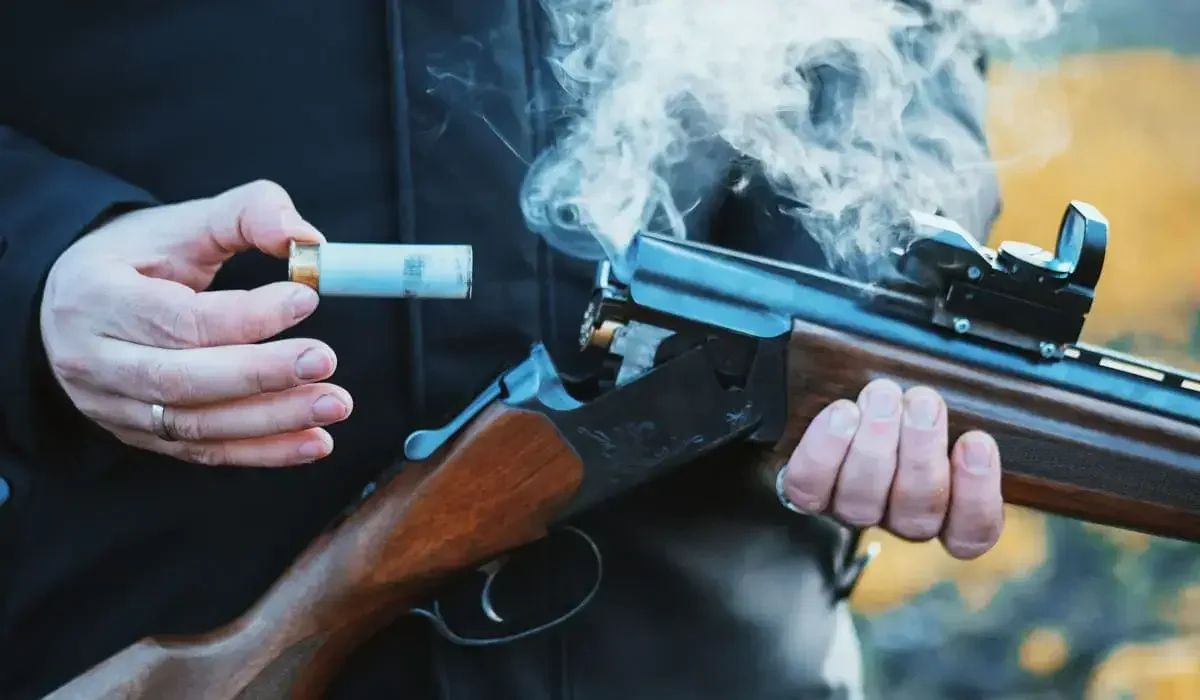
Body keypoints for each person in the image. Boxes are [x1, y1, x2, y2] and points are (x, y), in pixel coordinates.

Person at [0, 2, 1005, 699]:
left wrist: (864, 292)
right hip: (133, 570)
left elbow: (913, 48)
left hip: (711, 641)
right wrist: (37, 259)